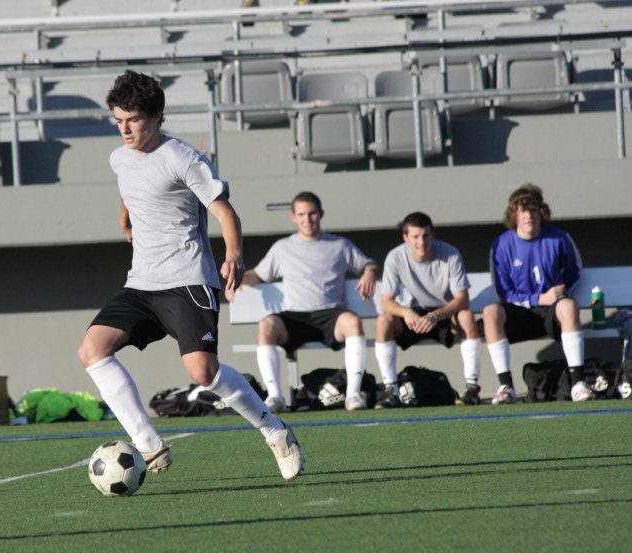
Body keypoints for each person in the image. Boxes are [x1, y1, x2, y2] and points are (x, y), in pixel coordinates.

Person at [76, 70, 303, 482]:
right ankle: (150, 446)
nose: (125, 129)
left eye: (134, 120)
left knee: (203, 373)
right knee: (92, 350)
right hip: (141, 282)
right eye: (119, 120)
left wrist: (233, 254)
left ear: (157, 117)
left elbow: (224, 211)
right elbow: (129, 187)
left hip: (188, 281)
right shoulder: (119, 157)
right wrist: (125, 220)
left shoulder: (184, 157)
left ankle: (274, 430)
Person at [241, 191, 379, 413]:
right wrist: (236, 279)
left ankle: (353, 395)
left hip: (331, 315)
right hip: (296, 317)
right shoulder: (282, 247)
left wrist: (369, 272)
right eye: (302, 214)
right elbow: (257, 275)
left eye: (312, 213)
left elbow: (367, 264)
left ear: (321, 214)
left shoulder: (340, 245)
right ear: (293, 217)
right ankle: (275, 398)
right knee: (266, 325)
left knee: (353, 322)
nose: (308, 219)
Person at [482, 183, 592, 404]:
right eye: (522, 211)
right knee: (490, 312)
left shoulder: (559, 237)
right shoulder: (501, 245)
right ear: (514, 216)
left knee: (568, 306)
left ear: (541, 212)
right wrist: (537, 298)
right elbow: (503, 291)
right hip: (520, 313)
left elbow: (575, 271)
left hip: (552, 312)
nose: (528, 216)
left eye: (533, 210)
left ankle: (578, 383)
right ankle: (506, 387)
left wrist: (560, 293)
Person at [373, 212, 482, 407]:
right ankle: (392, 391)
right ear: (405, 237)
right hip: (412, 316)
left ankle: (472, 389)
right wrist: (406, 312)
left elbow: (462, 299)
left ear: (433, 235)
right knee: (384, 321)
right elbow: (386, 302)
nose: (421, 242)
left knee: (467, 317)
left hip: (443, 314)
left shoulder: (450, 254)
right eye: (415, 237)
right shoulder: (395, 257)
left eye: (425, 235)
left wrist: (435, 315)